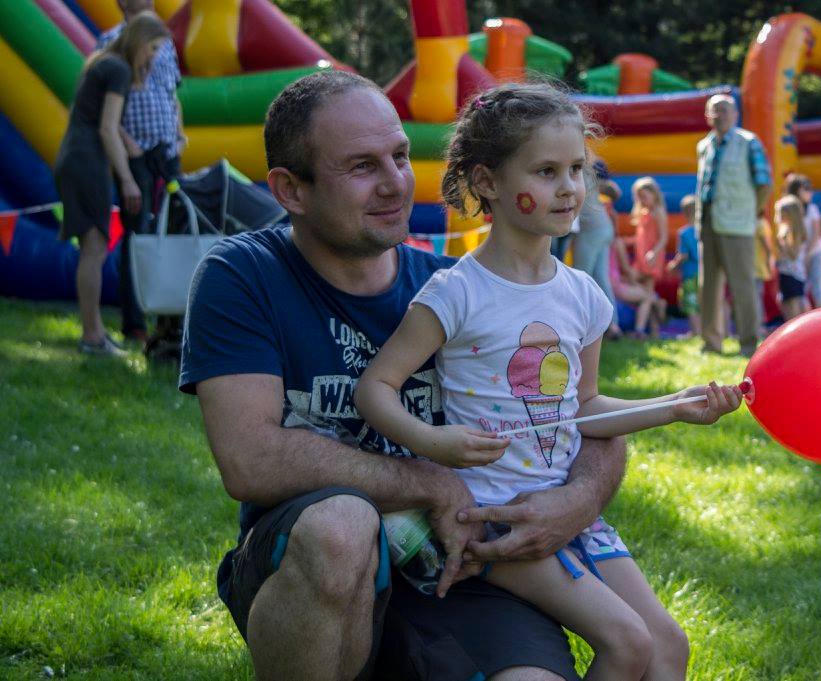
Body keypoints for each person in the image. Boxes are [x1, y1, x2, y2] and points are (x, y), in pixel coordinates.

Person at [180, 70, 633, 681]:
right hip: (320, 565)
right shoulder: (244, 276)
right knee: (343, 526)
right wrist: (426, 481)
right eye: (362, 167)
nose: (396, 183)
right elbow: (251, 460)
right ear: (291, 190)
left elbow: (578, 409)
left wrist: (575, 502)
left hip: (460, 568)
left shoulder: (457, 291)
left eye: (398, 156)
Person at [354, 81, 742, 681]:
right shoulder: (456, 293)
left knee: (669, 646)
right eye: (545, 171)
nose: (569, 188)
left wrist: (674, 406)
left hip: (569, 508)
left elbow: (583, 408)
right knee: (627, 645)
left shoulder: (583, 295)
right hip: (491, 515)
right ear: (486, 182)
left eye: (578, 170)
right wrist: (434, 445)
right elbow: (374, 388)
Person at [54, 12, 172, 356]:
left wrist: (126, 142)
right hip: (87, 163)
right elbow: (106, 128)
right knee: (94, 248)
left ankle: (96, 333)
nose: (152, 57)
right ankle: (92, 337)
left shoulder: (102, 62)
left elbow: (97, 119)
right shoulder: (119, 69)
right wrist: (127, 179)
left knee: (93, 246)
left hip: (76, 158)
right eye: (151, 49)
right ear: (138, 41)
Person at [97, 0, 186, 343]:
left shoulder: (164, 40)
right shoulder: (111, 40)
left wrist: (179, 133)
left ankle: (171, 320)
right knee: (137, 234)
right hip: (134, 153)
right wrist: (124, 140)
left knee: (174, 229)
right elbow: (104, 108)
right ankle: (134, 322)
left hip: (167, 150)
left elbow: (171, 94)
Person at [694, 94, 771, 357]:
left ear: (735, 114)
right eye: (715, 111)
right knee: (708, 287)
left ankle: (749, 344)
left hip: (739, 225)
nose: (720, 115)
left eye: (725, 110)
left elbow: (764, 184)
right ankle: (711, 343)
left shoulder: (749, 143)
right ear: (707, 116)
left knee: (743, 286)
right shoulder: (704, 145)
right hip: (707, 224)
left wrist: (749, 212)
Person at [571, 161, 623, 340]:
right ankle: (613, 325)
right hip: (604, 228)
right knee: (601, 278)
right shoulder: (590, 176)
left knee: (580, 277)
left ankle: (579, 326)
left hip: (591, 231)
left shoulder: (580, 175)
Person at [610, 235, 668, 339]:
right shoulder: (617, 243)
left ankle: (654, 333)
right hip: (615, 285)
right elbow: (626, 269)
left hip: (611, 283)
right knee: (648, 297)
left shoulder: (597, 239)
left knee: (647, 295)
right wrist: (637, 284)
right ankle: (640, 330)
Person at [784, 173, 821, 308]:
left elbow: (816, 235)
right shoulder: (789, 209)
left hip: (814, 254)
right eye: (806, 189)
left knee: (817, 290)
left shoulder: (812, 210)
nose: (810, 192)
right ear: (797, 190)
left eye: (810, 189)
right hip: (799, 257)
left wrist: (806, 256)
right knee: (801, 293)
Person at [667, 196, 702, 338]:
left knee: (691, 303)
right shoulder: (704, 231)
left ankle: (695, 332)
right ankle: (706, 331)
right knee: (703, 302)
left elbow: (683, 255)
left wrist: (673, 266)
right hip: (704, 273)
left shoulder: (684, 233)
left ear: (685, 214)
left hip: (689, 274)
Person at [773, 196, 809, 320]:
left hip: (794, 273)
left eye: (782, 214)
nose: (780, 217)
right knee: (785, 302)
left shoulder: (796, 232)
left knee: (793, 304)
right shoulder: (785, 229)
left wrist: (782, 244)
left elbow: (794, 255)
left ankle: (797, 328)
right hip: (786, 271)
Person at [629, 176, 668, 286]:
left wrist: (654, 252)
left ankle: (653, 301)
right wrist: (627, 241)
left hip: (652, 256)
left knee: (644, 282)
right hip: (642, 255)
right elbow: (641, 235)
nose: (642, 200)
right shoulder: (644, 212)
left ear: (654, 195)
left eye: (644, 197)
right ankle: (658, 302)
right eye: (639, 197)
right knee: (639, 282)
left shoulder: (658, 212)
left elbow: (663, 237)